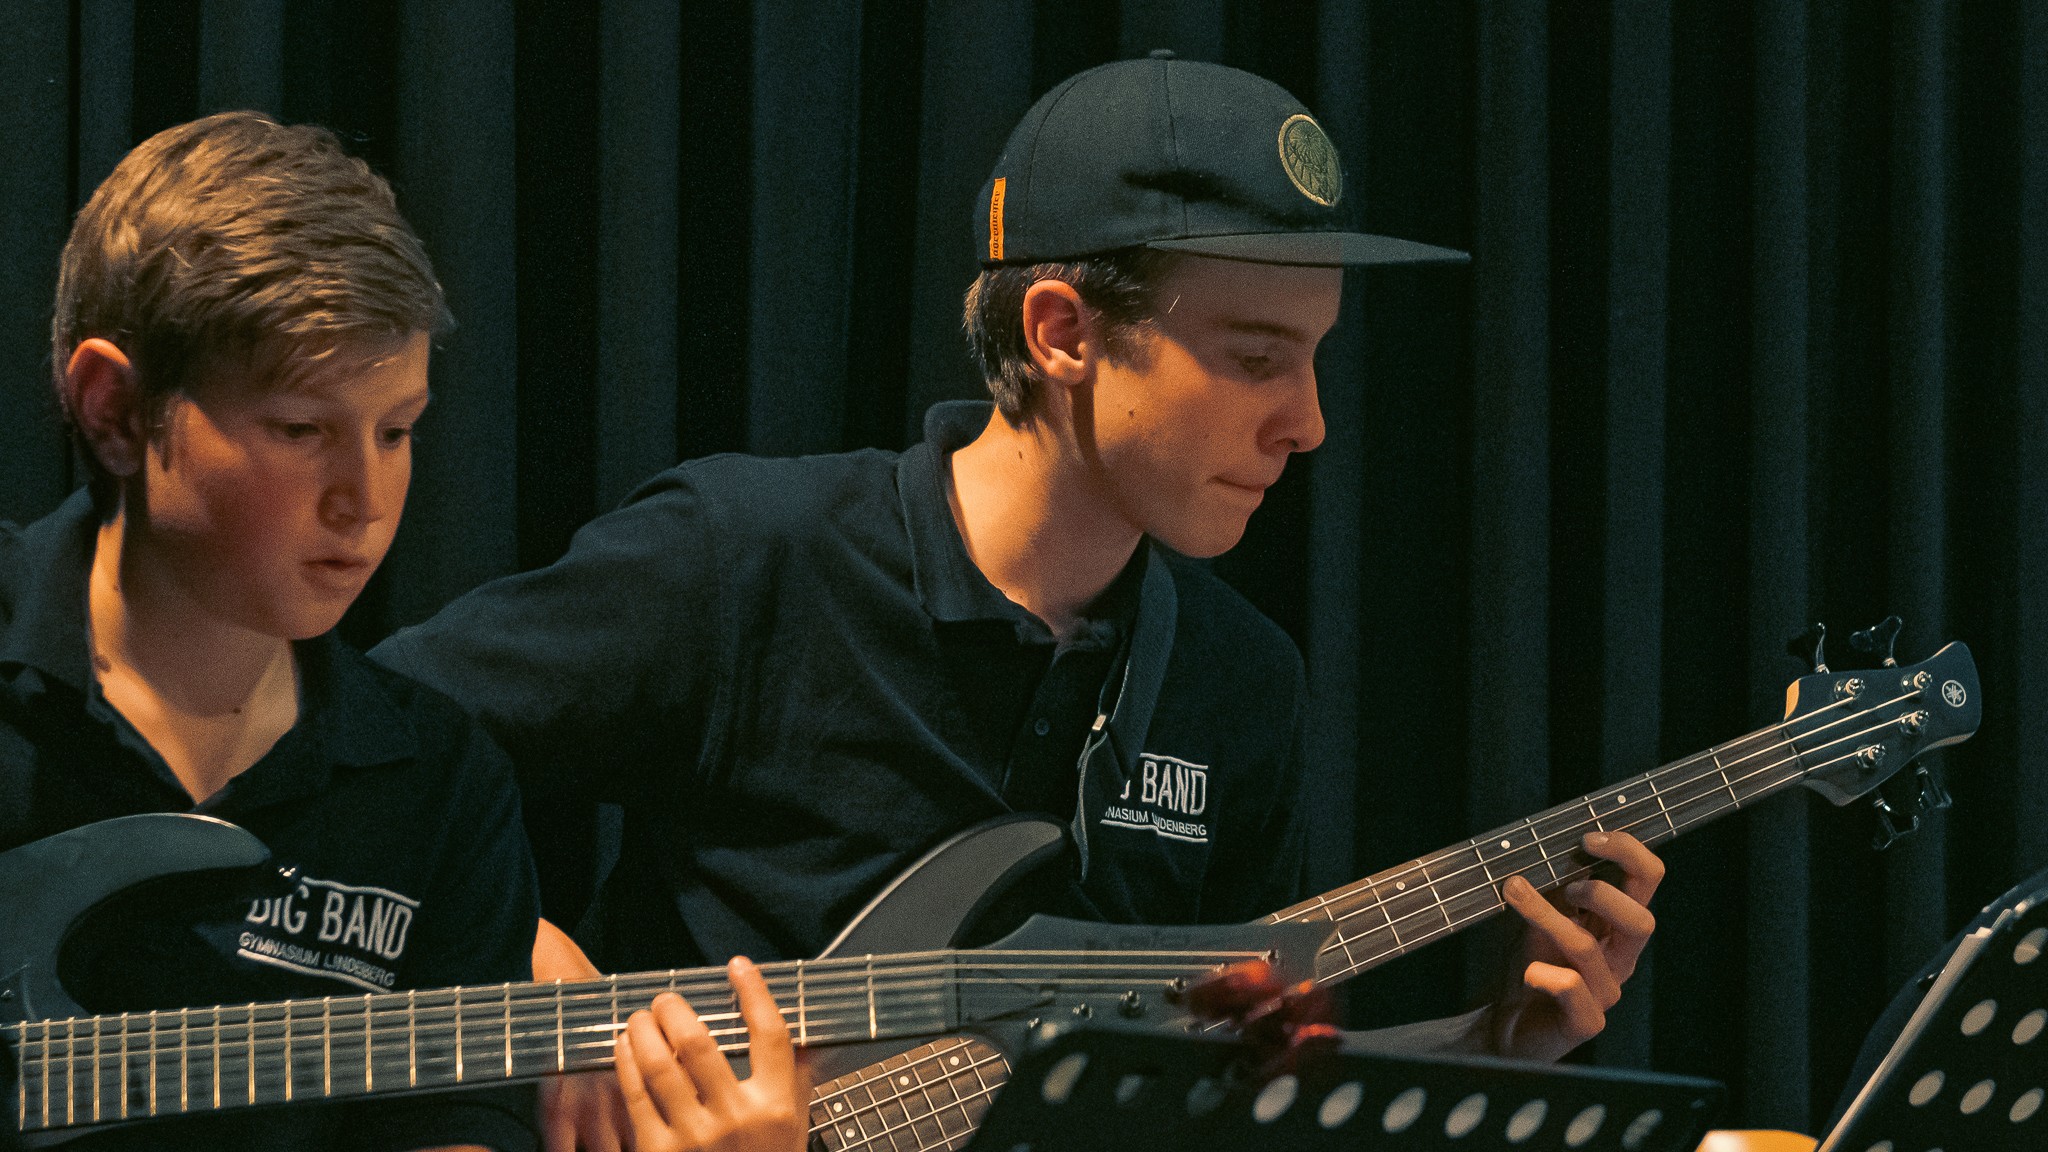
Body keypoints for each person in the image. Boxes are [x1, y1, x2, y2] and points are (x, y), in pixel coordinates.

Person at [372, 55, 1662, 1145]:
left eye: (1315, 357)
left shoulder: (1237, 678)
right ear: (1062, 333)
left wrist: (1488, 1046)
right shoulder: (748, 555)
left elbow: (1223, 1091)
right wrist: (542, 980)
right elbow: (362, 756)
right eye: (1254, 357)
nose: (1307, 422)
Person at [0, 111, 796, 1152]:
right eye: (301, 429)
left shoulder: (439, 786)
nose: (365, 499)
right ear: (113, 409)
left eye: (396, 431)